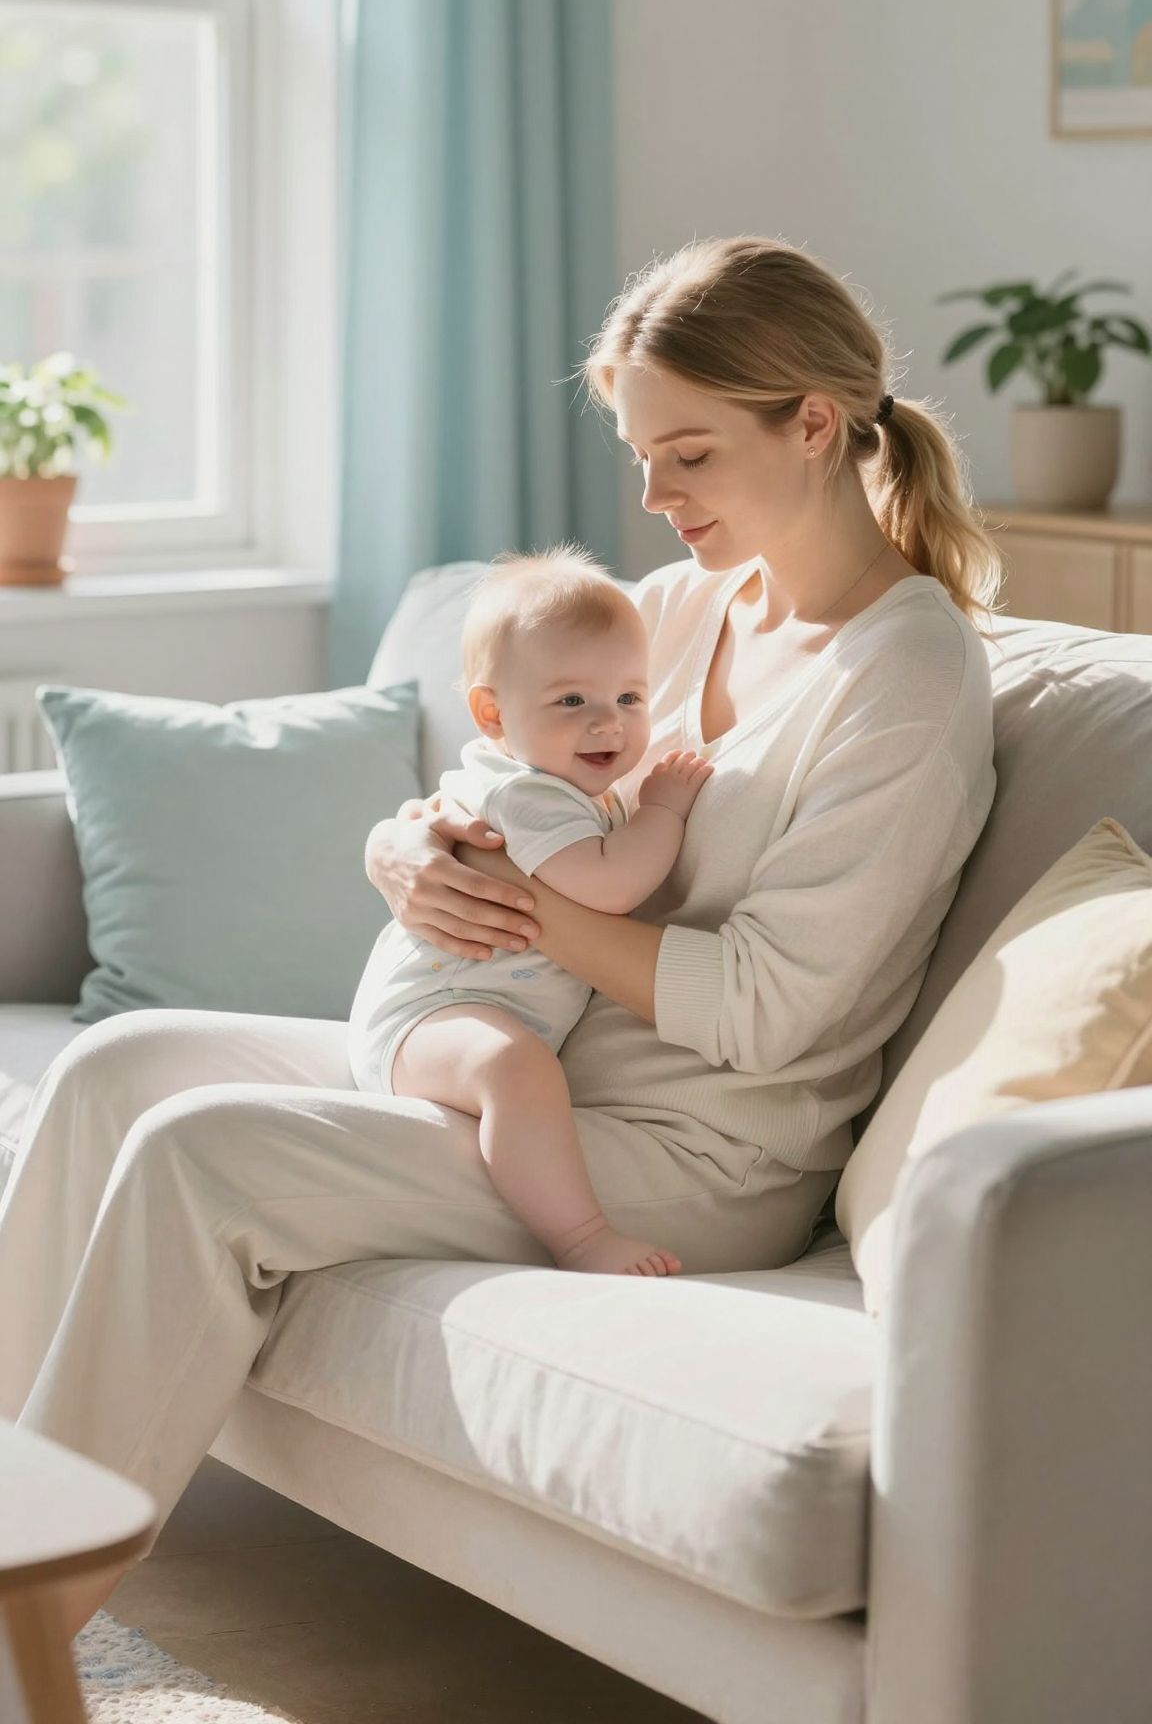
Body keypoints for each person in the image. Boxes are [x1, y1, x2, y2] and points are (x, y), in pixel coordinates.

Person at [0, 235, 1001, 1638]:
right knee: (123, 1066)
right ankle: (14, 1499)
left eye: (690, 454)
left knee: (198, 1151)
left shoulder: (908, 673)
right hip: (531, 1058)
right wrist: (404, 848)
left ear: (816, 424)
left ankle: (26, 1625)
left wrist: (528, 908)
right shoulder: (686, 605)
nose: (652, 497)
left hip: (694, 1155)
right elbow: (512, 789)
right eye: (641, 453)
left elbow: (778, 1013)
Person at [349, 546, 712, 1275]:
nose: (608, 725)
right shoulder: (528, 794)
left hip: (449, 1009)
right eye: (572, 702)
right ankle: (581, 1238)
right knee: (516, 1069)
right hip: (433, 1015)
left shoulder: (564, 786)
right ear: (492, 713)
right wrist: (663, 811)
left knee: (521, 1066)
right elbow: (610, 888)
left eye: (630, 699)